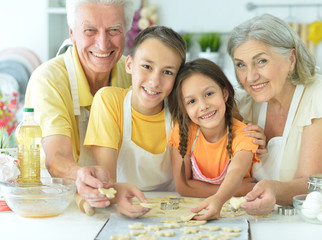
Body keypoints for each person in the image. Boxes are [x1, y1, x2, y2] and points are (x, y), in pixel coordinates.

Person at [227, 13, 322, 215]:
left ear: (291, 59)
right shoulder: (243, 104)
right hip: (264, 219)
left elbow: (311, 184)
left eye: (261, 61)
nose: (250, 76)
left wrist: (272, 190)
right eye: (241, 64)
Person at [25, 0, 133, 208]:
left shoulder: (134, 76)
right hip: (58, 206)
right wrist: (80, 174)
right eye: (90, 30)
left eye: (113, 30)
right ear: (72, 32)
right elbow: (57, 158)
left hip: (119, 203)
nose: (103, 43)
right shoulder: (49, 80)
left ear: (126, 31)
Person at [83, 26, 186, 217]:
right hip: (119, 204)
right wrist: (116, 197)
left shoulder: (180, 113)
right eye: (147, 67)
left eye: (168, 72)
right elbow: (107, 181)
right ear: (129, 65)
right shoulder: (109, 101)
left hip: (172, 209)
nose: (155, 81)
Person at [167, 58, 260, 220]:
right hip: (194, 208)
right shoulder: (183, 133)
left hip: (238, 212)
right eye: (192, 101)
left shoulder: (245, 135)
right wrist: (237, 190)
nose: (203, 106)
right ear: (184, 108)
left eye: (209, 94)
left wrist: (217, 198)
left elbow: (236, 172)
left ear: (224, 94)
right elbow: (183, 186)